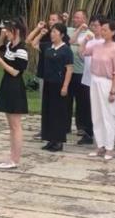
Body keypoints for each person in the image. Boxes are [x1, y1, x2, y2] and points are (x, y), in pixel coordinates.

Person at [0, 19, 29, 169]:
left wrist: (0, 61)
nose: (7, 34)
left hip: (15, 87)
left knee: (16, 125)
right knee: (11, 126)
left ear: (16, 31)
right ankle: (12, 157)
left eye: (9, 31)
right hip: (7, 85)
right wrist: (1, 35)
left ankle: (15, 159)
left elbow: (15, 71)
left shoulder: (21, 50)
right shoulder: (10, 46)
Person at [81, 18, 115, 160]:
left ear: (113, 32)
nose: (102, 32)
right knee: (96, 114)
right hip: (94, 80)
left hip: (107, 82)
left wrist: (113, 90)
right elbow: (83, 53)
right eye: (102, 29)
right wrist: (85, 40)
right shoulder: (97, 45)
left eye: (105, 30)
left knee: (108, 115)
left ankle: (110, 148)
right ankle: (100, 145)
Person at [30, 22, 73, 152]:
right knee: (47, 111)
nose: (52, 34)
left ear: (62, 35)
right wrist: (40, 33)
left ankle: (58, 141)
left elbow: (69, 69)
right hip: (48, 82)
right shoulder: (48, 46)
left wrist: (65, 86)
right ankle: (49, 139)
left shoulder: (66, 50)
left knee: (57, 112)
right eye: (52, 32)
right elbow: (33, 43)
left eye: (55, 32)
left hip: (59, 84)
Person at [68, 11, 94, 145]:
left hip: (82, 72)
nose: (75, 19)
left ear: (85, 19)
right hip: (69, 71)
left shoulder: (90, 34)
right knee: (67, 100)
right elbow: (70, 41)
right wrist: (78, 30)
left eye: (78, 17)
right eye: (75, 17)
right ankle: (66, 126)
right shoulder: (70, 30)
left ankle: (82, 127)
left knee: (82, 102)